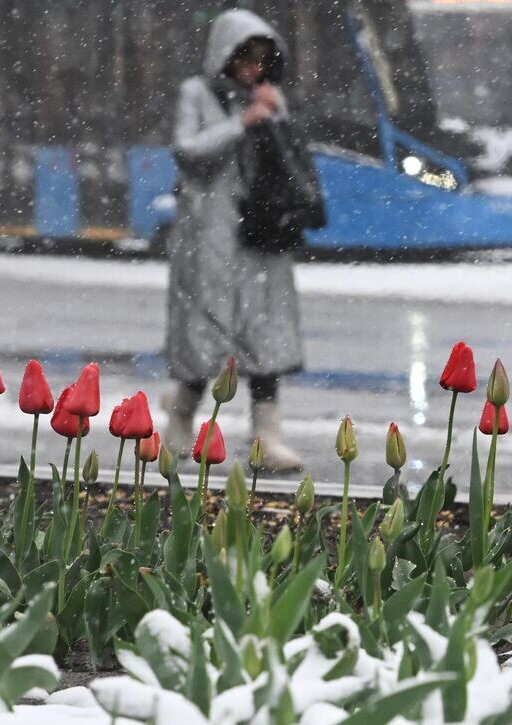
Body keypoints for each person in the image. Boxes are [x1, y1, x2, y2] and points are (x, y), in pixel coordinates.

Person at [163, 8, 304, 470]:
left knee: (264, 332)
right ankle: (180, 424)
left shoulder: (267, 97)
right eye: (246, 58)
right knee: (206, 333)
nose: (253, 69)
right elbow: (187, 151)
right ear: (226, 55)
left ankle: (266, 438)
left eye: (263, 60)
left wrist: (273, 117)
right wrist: (241, 122)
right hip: (209, 235)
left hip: (261, 232)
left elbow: (290, 161)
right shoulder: (197, 93)